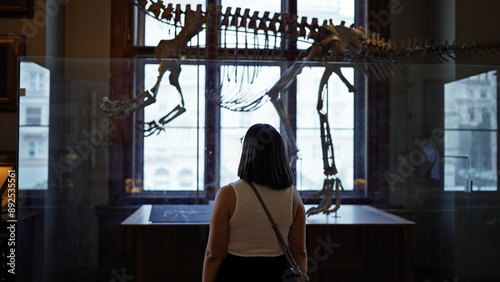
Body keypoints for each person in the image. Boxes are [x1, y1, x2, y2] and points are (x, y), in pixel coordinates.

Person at [202, 123, 307, 282]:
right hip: (278, 273)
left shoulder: (228, 195)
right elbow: (300, 252)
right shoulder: (293, 196)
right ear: (280, 154)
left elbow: (213, 255)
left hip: (235, 273)